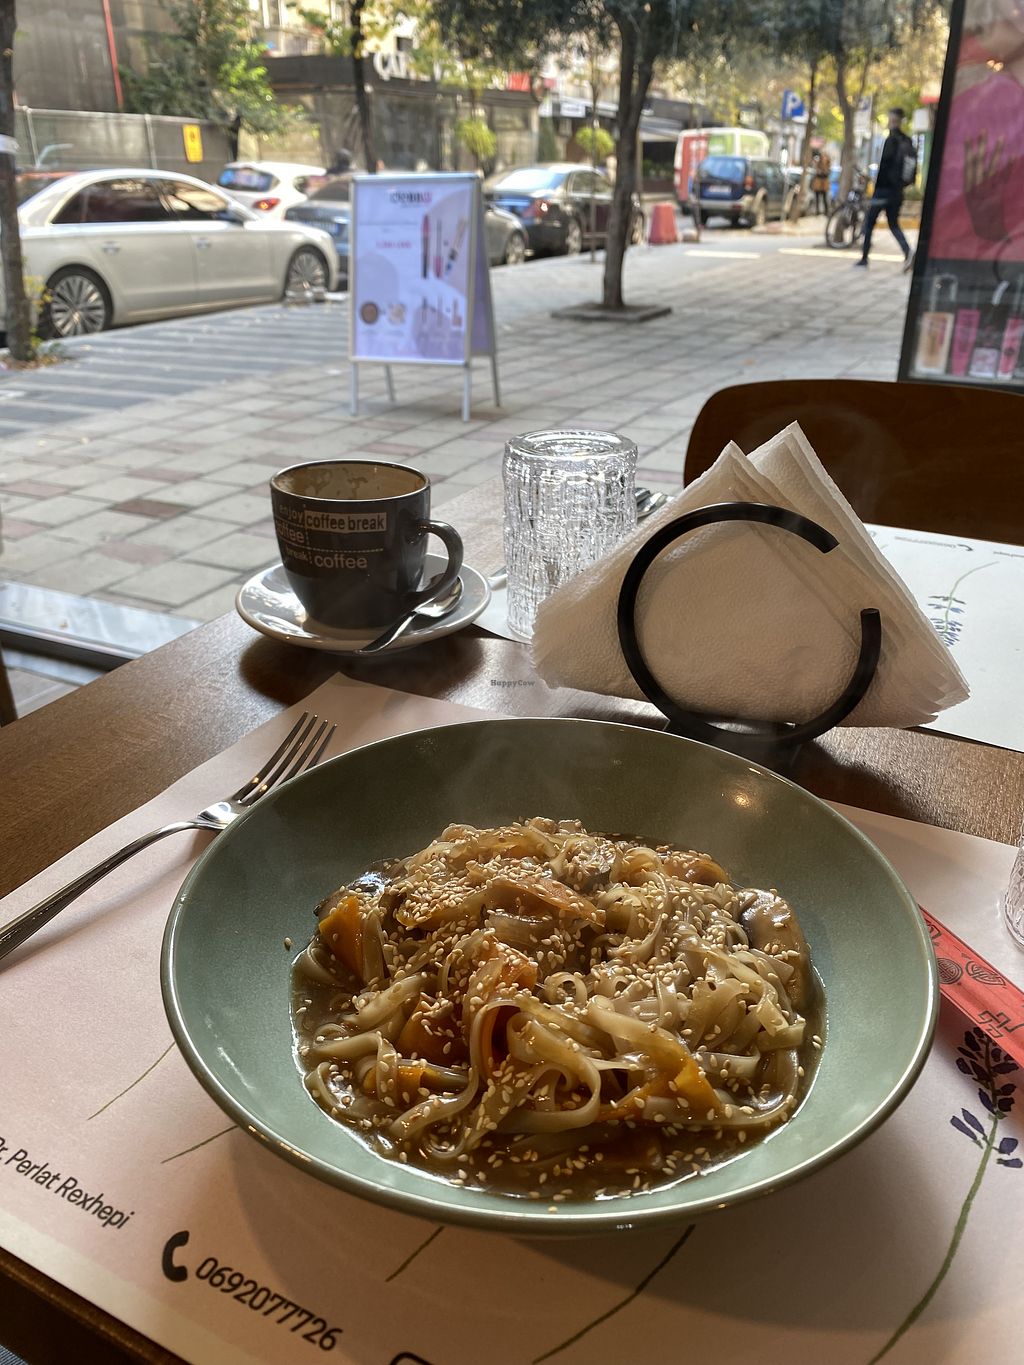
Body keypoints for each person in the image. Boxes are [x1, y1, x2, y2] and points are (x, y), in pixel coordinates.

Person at [854, 109, 915, 271]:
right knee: (893, 223)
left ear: (893, 120)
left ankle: (864, 259)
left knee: (869, 223)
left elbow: (884, 167)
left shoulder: (891, 141)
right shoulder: (907, 141)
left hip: (883, 190)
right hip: (898, 191)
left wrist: (876, 187)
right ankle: (908, 252)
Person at [811, 149, 831, 216]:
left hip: (824, 183)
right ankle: (817, 211)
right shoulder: (818, 163)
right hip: (818, 183)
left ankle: (826, 211)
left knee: (825, 197)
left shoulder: (828, 163)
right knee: (817, 198)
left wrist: (824, 171)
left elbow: (827, 173)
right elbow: (816, 172)